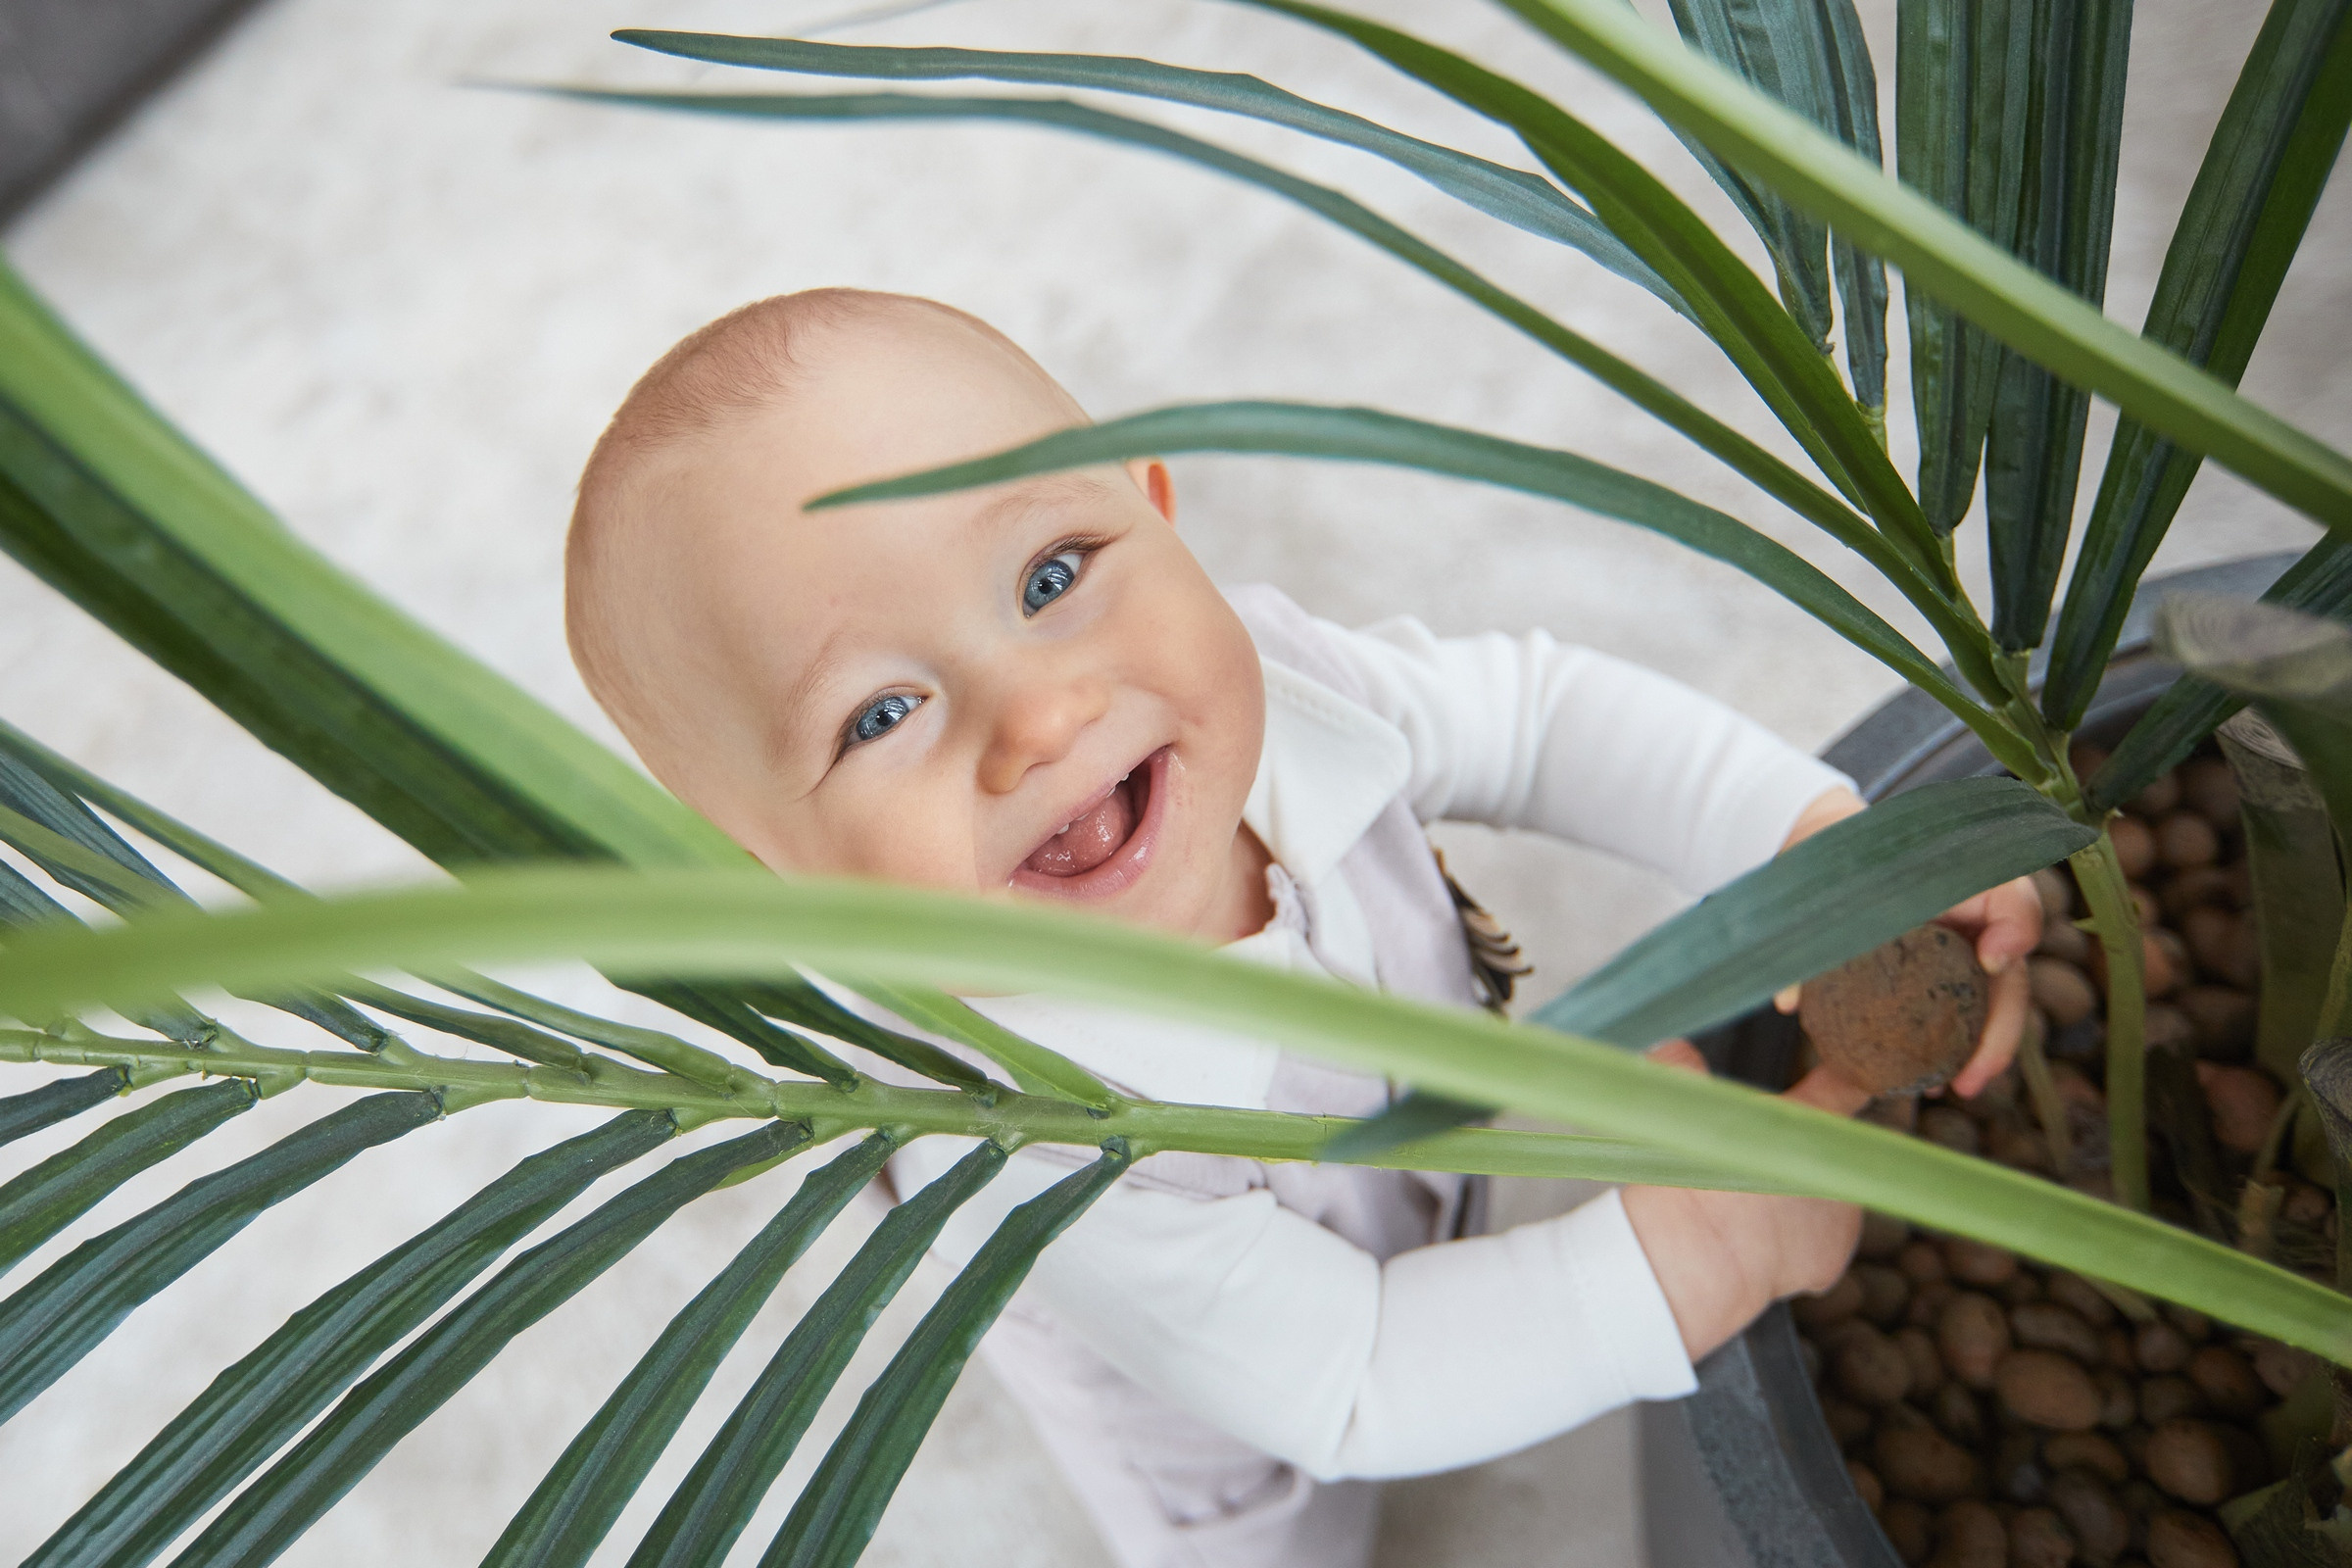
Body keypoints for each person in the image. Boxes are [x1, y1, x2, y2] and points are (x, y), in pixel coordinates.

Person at [564, 287, 2042, 1568]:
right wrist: (1680, 1267)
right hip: (1227, 1408)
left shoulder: (1272, 681)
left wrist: (1805, 843)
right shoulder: (1031, 1142)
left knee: (1459, 1251)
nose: (1040, 715)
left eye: (1052, 575)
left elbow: (1540, 721)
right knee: (1289, 1534)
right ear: (769, 871)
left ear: (1153, 504)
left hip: (1417, 1142)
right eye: (882, 713)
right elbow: (1351, 1375)